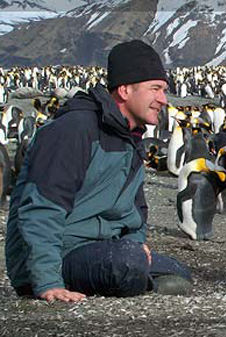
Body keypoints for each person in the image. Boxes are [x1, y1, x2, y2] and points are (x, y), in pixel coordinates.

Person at [5, 40, 192, 303]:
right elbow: (41, 209)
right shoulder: (73, 130)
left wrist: (137, 243)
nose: (163, 99)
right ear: (125, 90)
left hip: (98, 249)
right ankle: (129, 278)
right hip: (56, 254)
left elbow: (135, 210)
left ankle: (132, 276)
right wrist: (47, 282)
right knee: (127, 263)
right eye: (155, 89)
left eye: (163, 90)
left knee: (178, 272)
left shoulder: (131, 138)